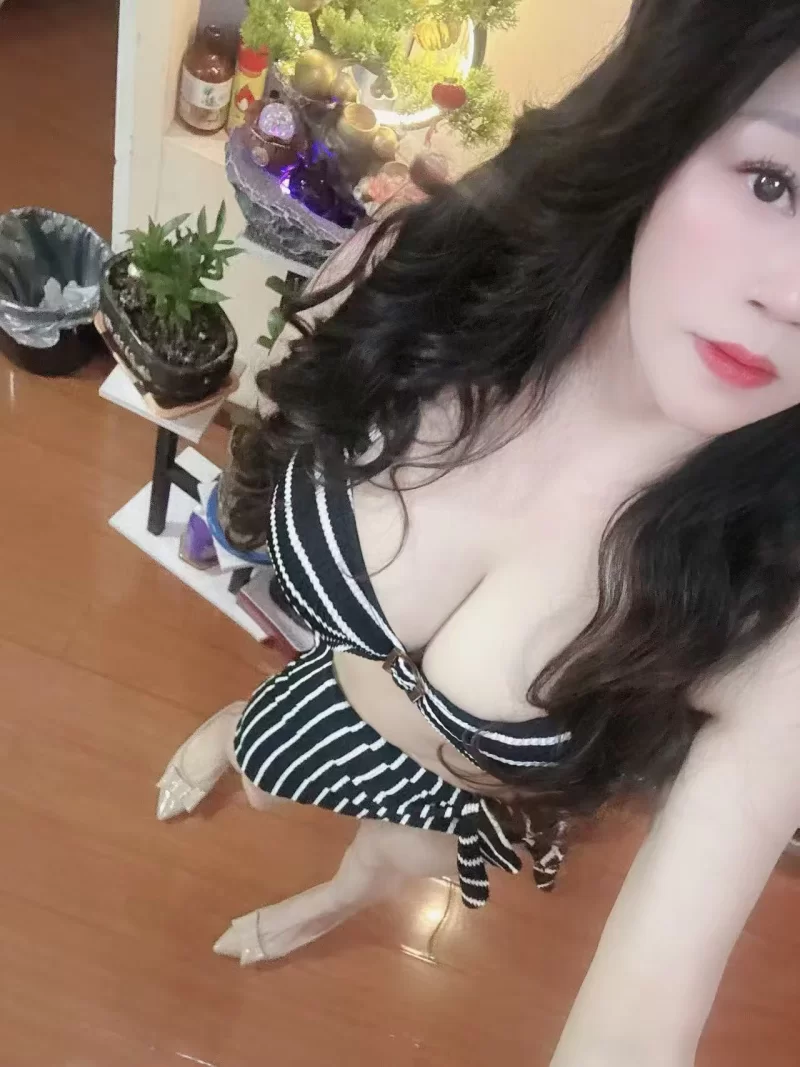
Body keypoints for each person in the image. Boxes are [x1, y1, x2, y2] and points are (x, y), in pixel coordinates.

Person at [157, 1, 800, 1062]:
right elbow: (281, 423)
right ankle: (237, 728)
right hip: (315, 675)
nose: (792, 300)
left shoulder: (775, 610)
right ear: (671, 114)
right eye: (773, 183)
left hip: (441, 793)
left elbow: (641, 1016)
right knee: (265, 760)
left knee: (385, 865)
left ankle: (324, 905)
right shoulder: (420, 276)